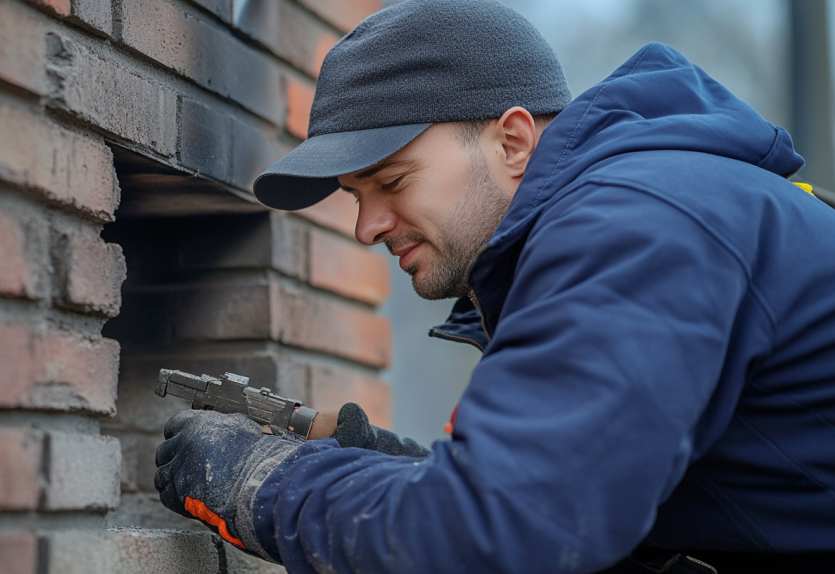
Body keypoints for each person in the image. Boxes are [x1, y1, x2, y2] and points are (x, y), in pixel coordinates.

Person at [153, 1, 835, 572]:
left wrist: (266, 482)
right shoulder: (643, 207)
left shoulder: (633, 228)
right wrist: (411, 475)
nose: (367, 227)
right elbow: (597, 523)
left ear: (512, 141)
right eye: (356, 196)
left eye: (391, 182)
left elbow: (502, 538)